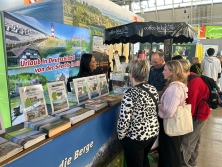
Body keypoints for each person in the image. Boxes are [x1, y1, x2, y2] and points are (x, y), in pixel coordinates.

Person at [117, 59, 159, 167]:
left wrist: (121, 137)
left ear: (131, 74)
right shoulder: (152, 89)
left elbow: (123, 120)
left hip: (136, 138)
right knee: (144, 161)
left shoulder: (130, 94)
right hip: (152, 133)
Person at [178, 59, 210, 167]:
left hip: (197, 116)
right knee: (195, 141)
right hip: (200, 114)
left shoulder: (194, 82)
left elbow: (190, 104)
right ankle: (192, 162)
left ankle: (184, 164)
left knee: (187, 142)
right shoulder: (191, 78)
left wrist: (184, 121)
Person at [158, 60, 188, 167]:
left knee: (169, 155)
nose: (163, 72)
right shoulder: (179, 85)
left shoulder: (174, 88)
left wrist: (158, 106)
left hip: (170, 127)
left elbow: (169, 111)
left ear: (172, 71)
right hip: (174, 126)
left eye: (165, 70)